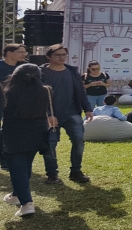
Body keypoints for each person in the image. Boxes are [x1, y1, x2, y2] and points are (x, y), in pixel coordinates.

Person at [2, 64, 55, 217]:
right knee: (25, 164)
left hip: (14, 131)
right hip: (38, 131)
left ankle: (27, 203)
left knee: (17, 167)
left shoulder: (8, 92)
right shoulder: (46, 91)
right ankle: (16, 195)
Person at [40, 44, 93, 184]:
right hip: (50, 116)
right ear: (49, 56)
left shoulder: (72, 72)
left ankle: (76, 171)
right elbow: (37, 96)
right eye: (58, 55)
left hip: (72, 113)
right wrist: (48, 114)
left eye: (64, 55)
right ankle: (52, 174)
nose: (61, 57)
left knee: (79, 141)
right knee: (50, 144)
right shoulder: (40, 73)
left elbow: (81, 92)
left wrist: (88, 108)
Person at [0, 43, 28, 170]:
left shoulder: (23, 68)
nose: (24, 54)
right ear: (9, 53)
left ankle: (6, 158)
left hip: (16, 105)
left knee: (9, 132)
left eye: (24, 52)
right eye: (21, 52)